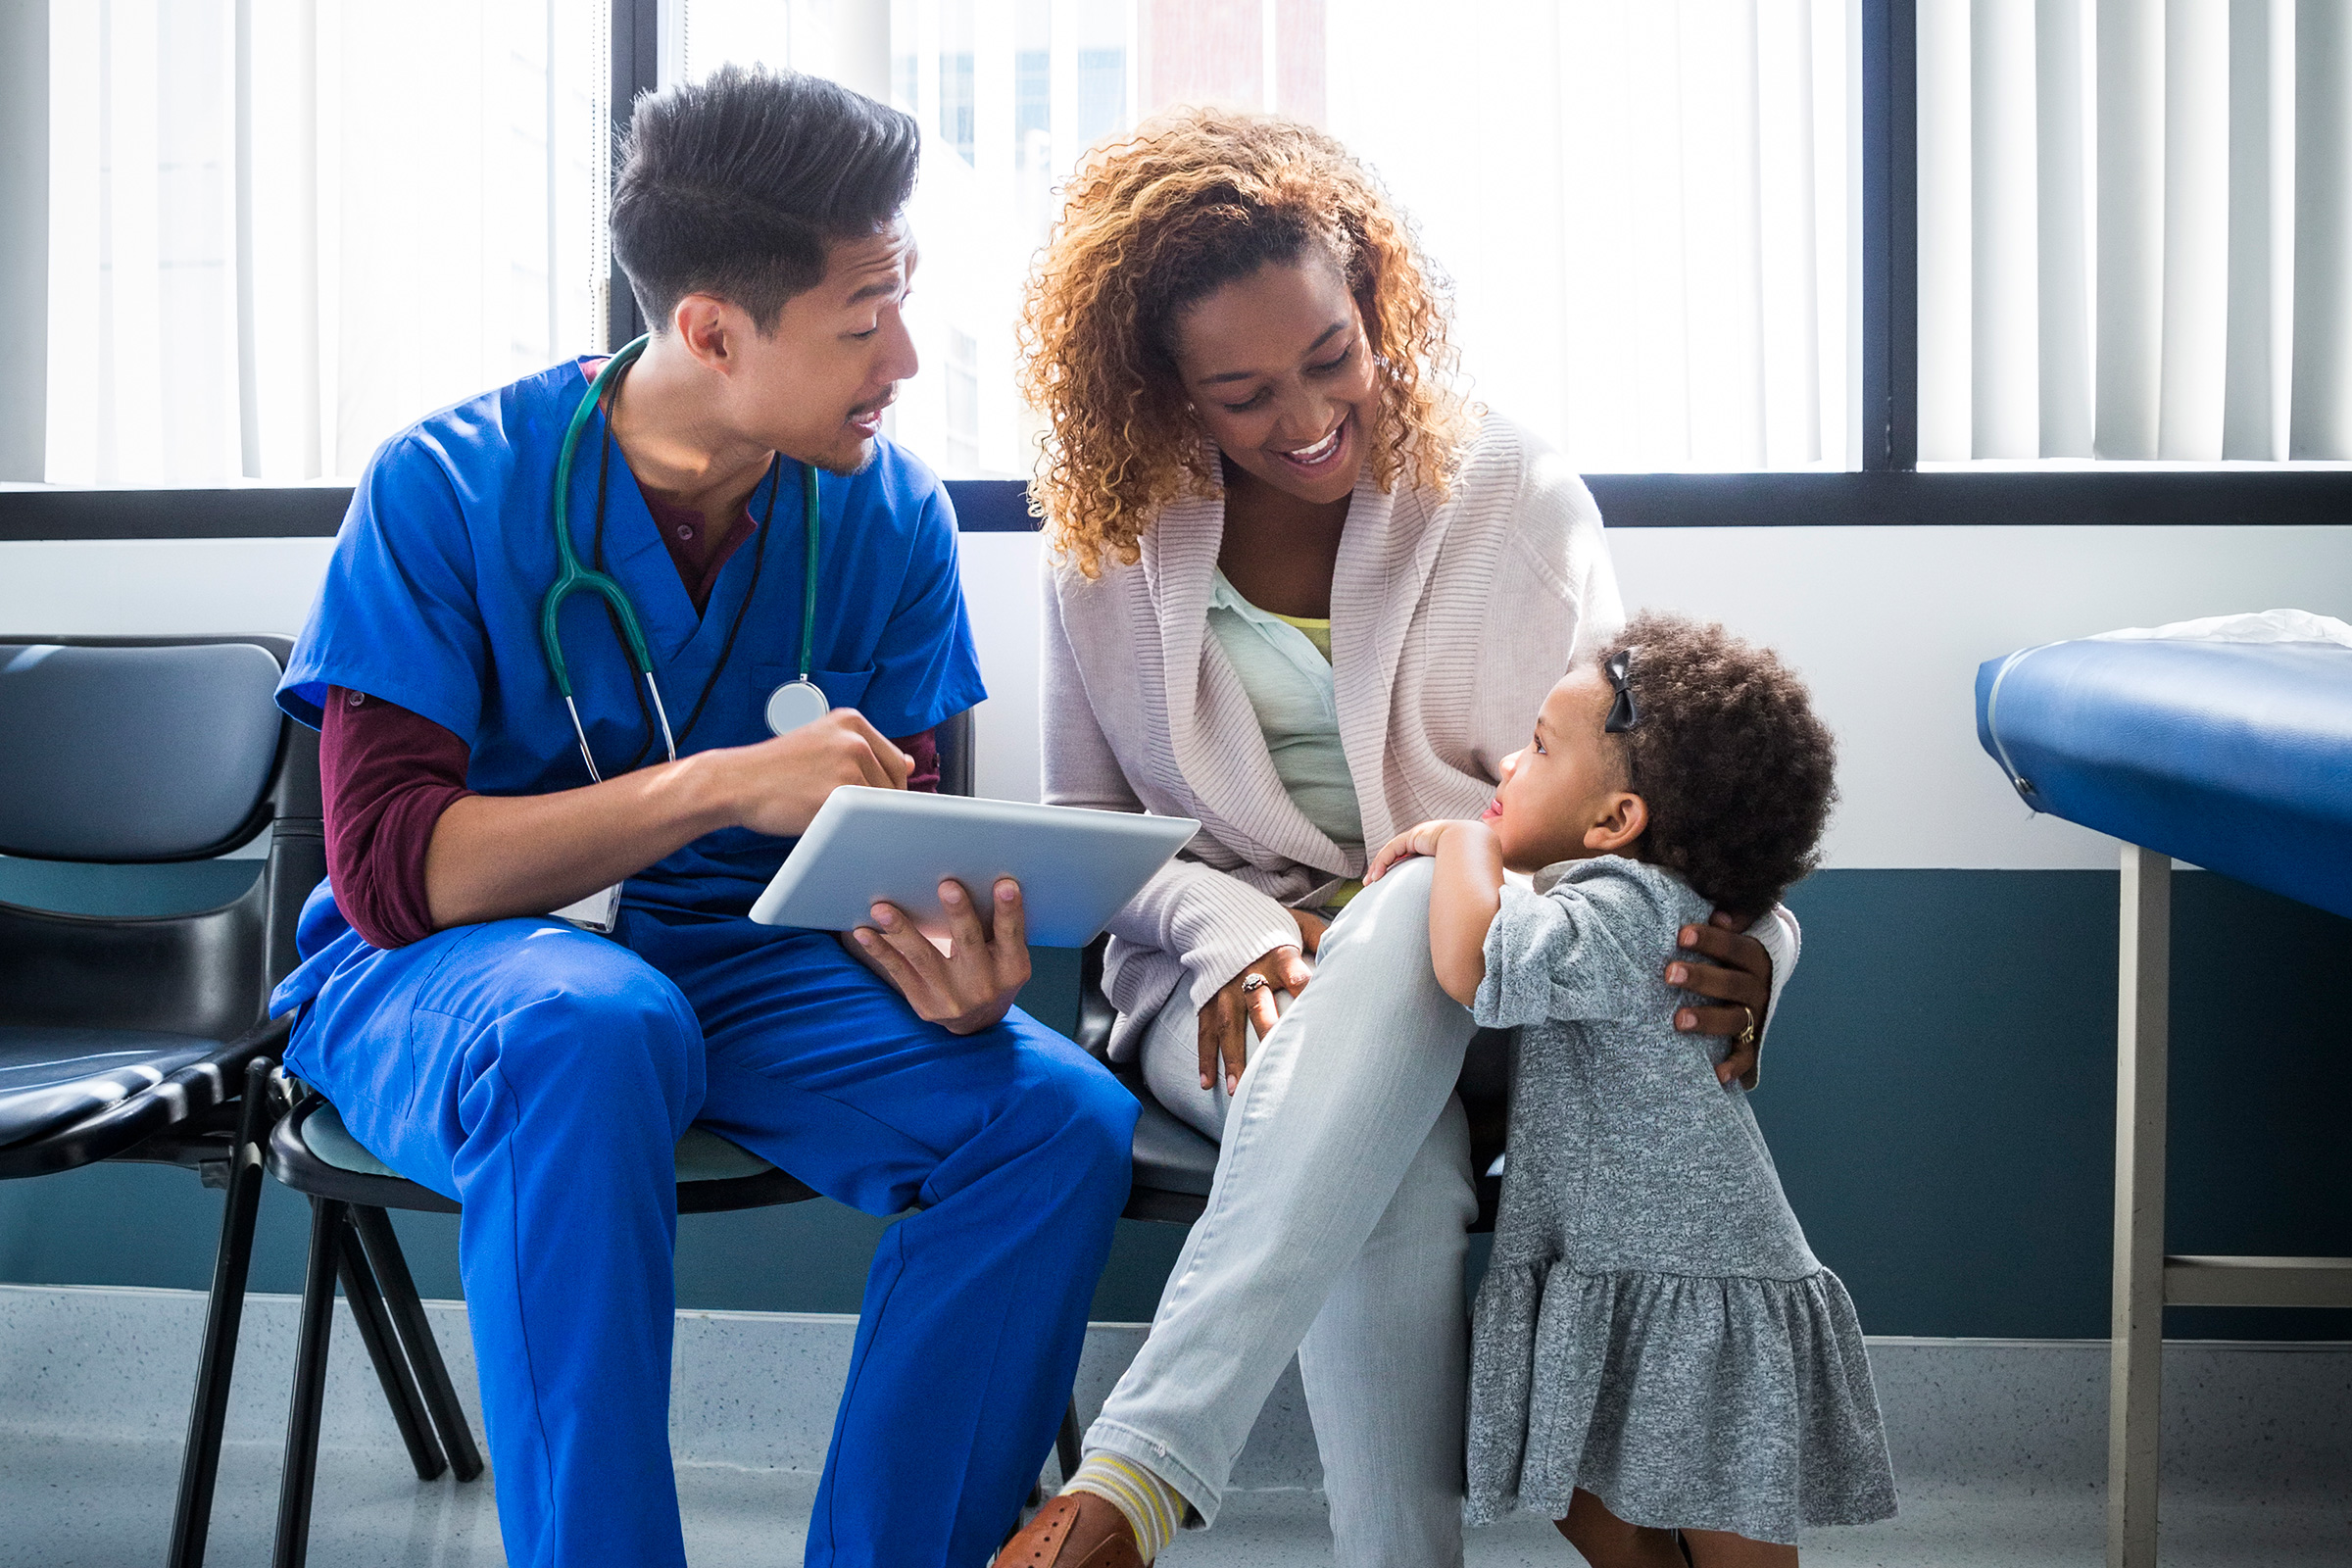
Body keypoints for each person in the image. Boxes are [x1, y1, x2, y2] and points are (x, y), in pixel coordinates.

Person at [266, 68, 1135, 1568]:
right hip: (456, 975)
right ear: (712, 330)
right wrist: (722, 784)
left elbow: (891, 842)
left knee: (1053, 1118)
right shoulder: (444, 487)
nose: (907, 357)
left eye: (904, 299)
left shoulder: (886, 514)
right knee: (592, 1029)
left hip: (745, 961)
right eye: (865, 319)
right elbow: (401, 874)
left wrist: (946, 949)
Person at [999, 110, 1796, 1568]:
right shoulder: (1106, 544)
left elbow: (1652, 796)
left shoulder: (1515, 501)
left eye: (1330, 357)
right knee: (1397, 1161)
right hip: (1228, 985)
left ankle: (1139, 1474)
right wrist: (1234, 928)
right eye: (1239, 394)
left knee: (1394, 918)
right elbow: (1094, 839)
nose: (1304, 416)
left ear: (1374, 302)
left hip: (1506, 978)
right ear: (1161, 392)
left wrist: (1769, 947)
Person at [1367, 612, 1897, 1565]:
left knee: (1718, 1514)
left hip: (1686, 1275)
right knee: (1590, 1494)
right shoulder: (1642, 901)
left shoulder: (1621, 907)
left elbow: (1478, 965)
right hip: (1632, 1261)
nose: (1507, 772)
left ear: (1617, 823)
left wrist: (1462, 845)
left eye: (1535, 748)